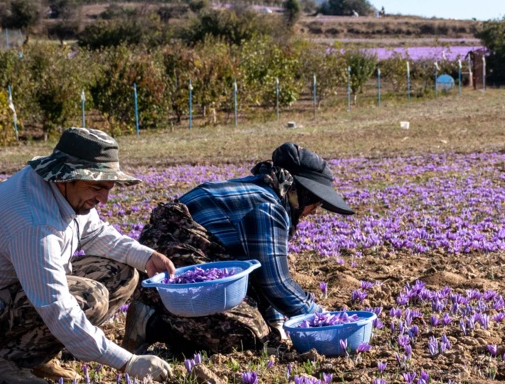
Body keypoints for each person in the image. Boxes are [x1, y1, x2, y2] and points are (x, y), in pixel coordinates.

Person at [0, 128, 175, 384]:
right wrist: (127, 362)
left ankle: (36, 356)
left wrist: (146, 256)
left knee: (124, 273)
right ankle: (4, 362)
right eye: (97, 187)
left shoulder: (63, 192)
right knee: (90, 297)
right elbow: (55, 305)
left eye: (108, 188)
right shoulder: (33, 222)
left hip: (9, 291)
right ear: (66, 177)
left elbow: (94, 233)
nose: (104, 198)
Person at [124, 143, 354, 356]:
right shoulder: (268, 206)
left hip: (164, 262)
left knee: (263, 328)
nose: (315, 210)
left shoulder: (258, 190)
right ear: (298, 193)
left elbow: (259, 272)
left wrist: (275, 324)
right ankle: (154, 323)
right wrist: (322, 319)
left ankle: (162, 313)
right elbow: (275, 283)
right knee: (246, 334)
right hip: (174, 261)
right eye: (316, 201)